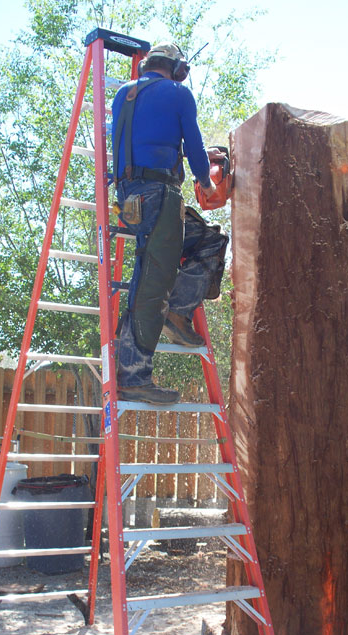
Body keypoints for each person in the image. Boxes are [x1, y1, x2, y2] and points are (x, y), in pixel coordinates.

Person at [111, 42, 226, 405]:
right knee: (151, 282)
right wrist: (207, 183)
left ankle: (177, 311)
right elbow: (192, 149)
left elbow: (148, 140)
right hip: (160, 194)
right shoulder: (179, 94)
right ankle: (133, 376)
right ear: (178, 69)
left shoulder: (124, 95)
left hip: (131, 196)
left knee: (209, 241)